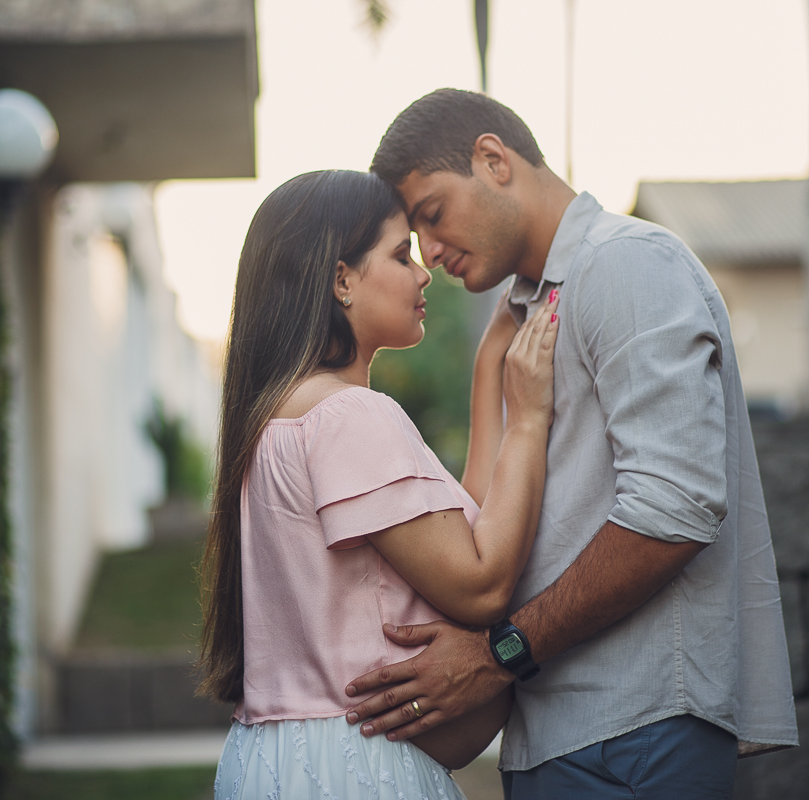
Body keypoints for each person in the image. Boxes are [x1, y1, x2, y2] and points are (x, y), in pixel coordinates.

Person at [343, 89, 799, 799]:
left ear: (493, 159)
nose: (428, 254)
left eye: (432, 215)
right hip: (552, 732)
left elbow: (674, 508)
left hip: (640, 729)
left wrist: (502, 655)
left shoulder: (627, 265)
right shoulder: (519, 313)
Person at [200, 169, 562, 799]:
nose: (424, 273)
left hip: (272, 758)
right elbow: (479, 584)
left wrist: (489, 370)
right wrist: (528, 420)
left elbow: (463, 528)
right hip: (356, 767)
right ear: (341, 279)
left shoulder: (275, 419)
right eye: (401, 255)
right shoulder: (350, 416)